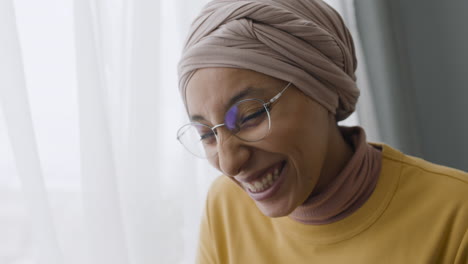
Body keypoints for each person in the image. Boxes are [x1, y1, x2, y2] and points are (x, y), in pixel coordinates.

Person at [176, 0, 468, 263]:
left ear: (322, 89)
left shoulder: (456, 217)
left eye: (251, 116)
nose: (229, 164)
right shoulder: (226, 207)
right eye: (206, 134)